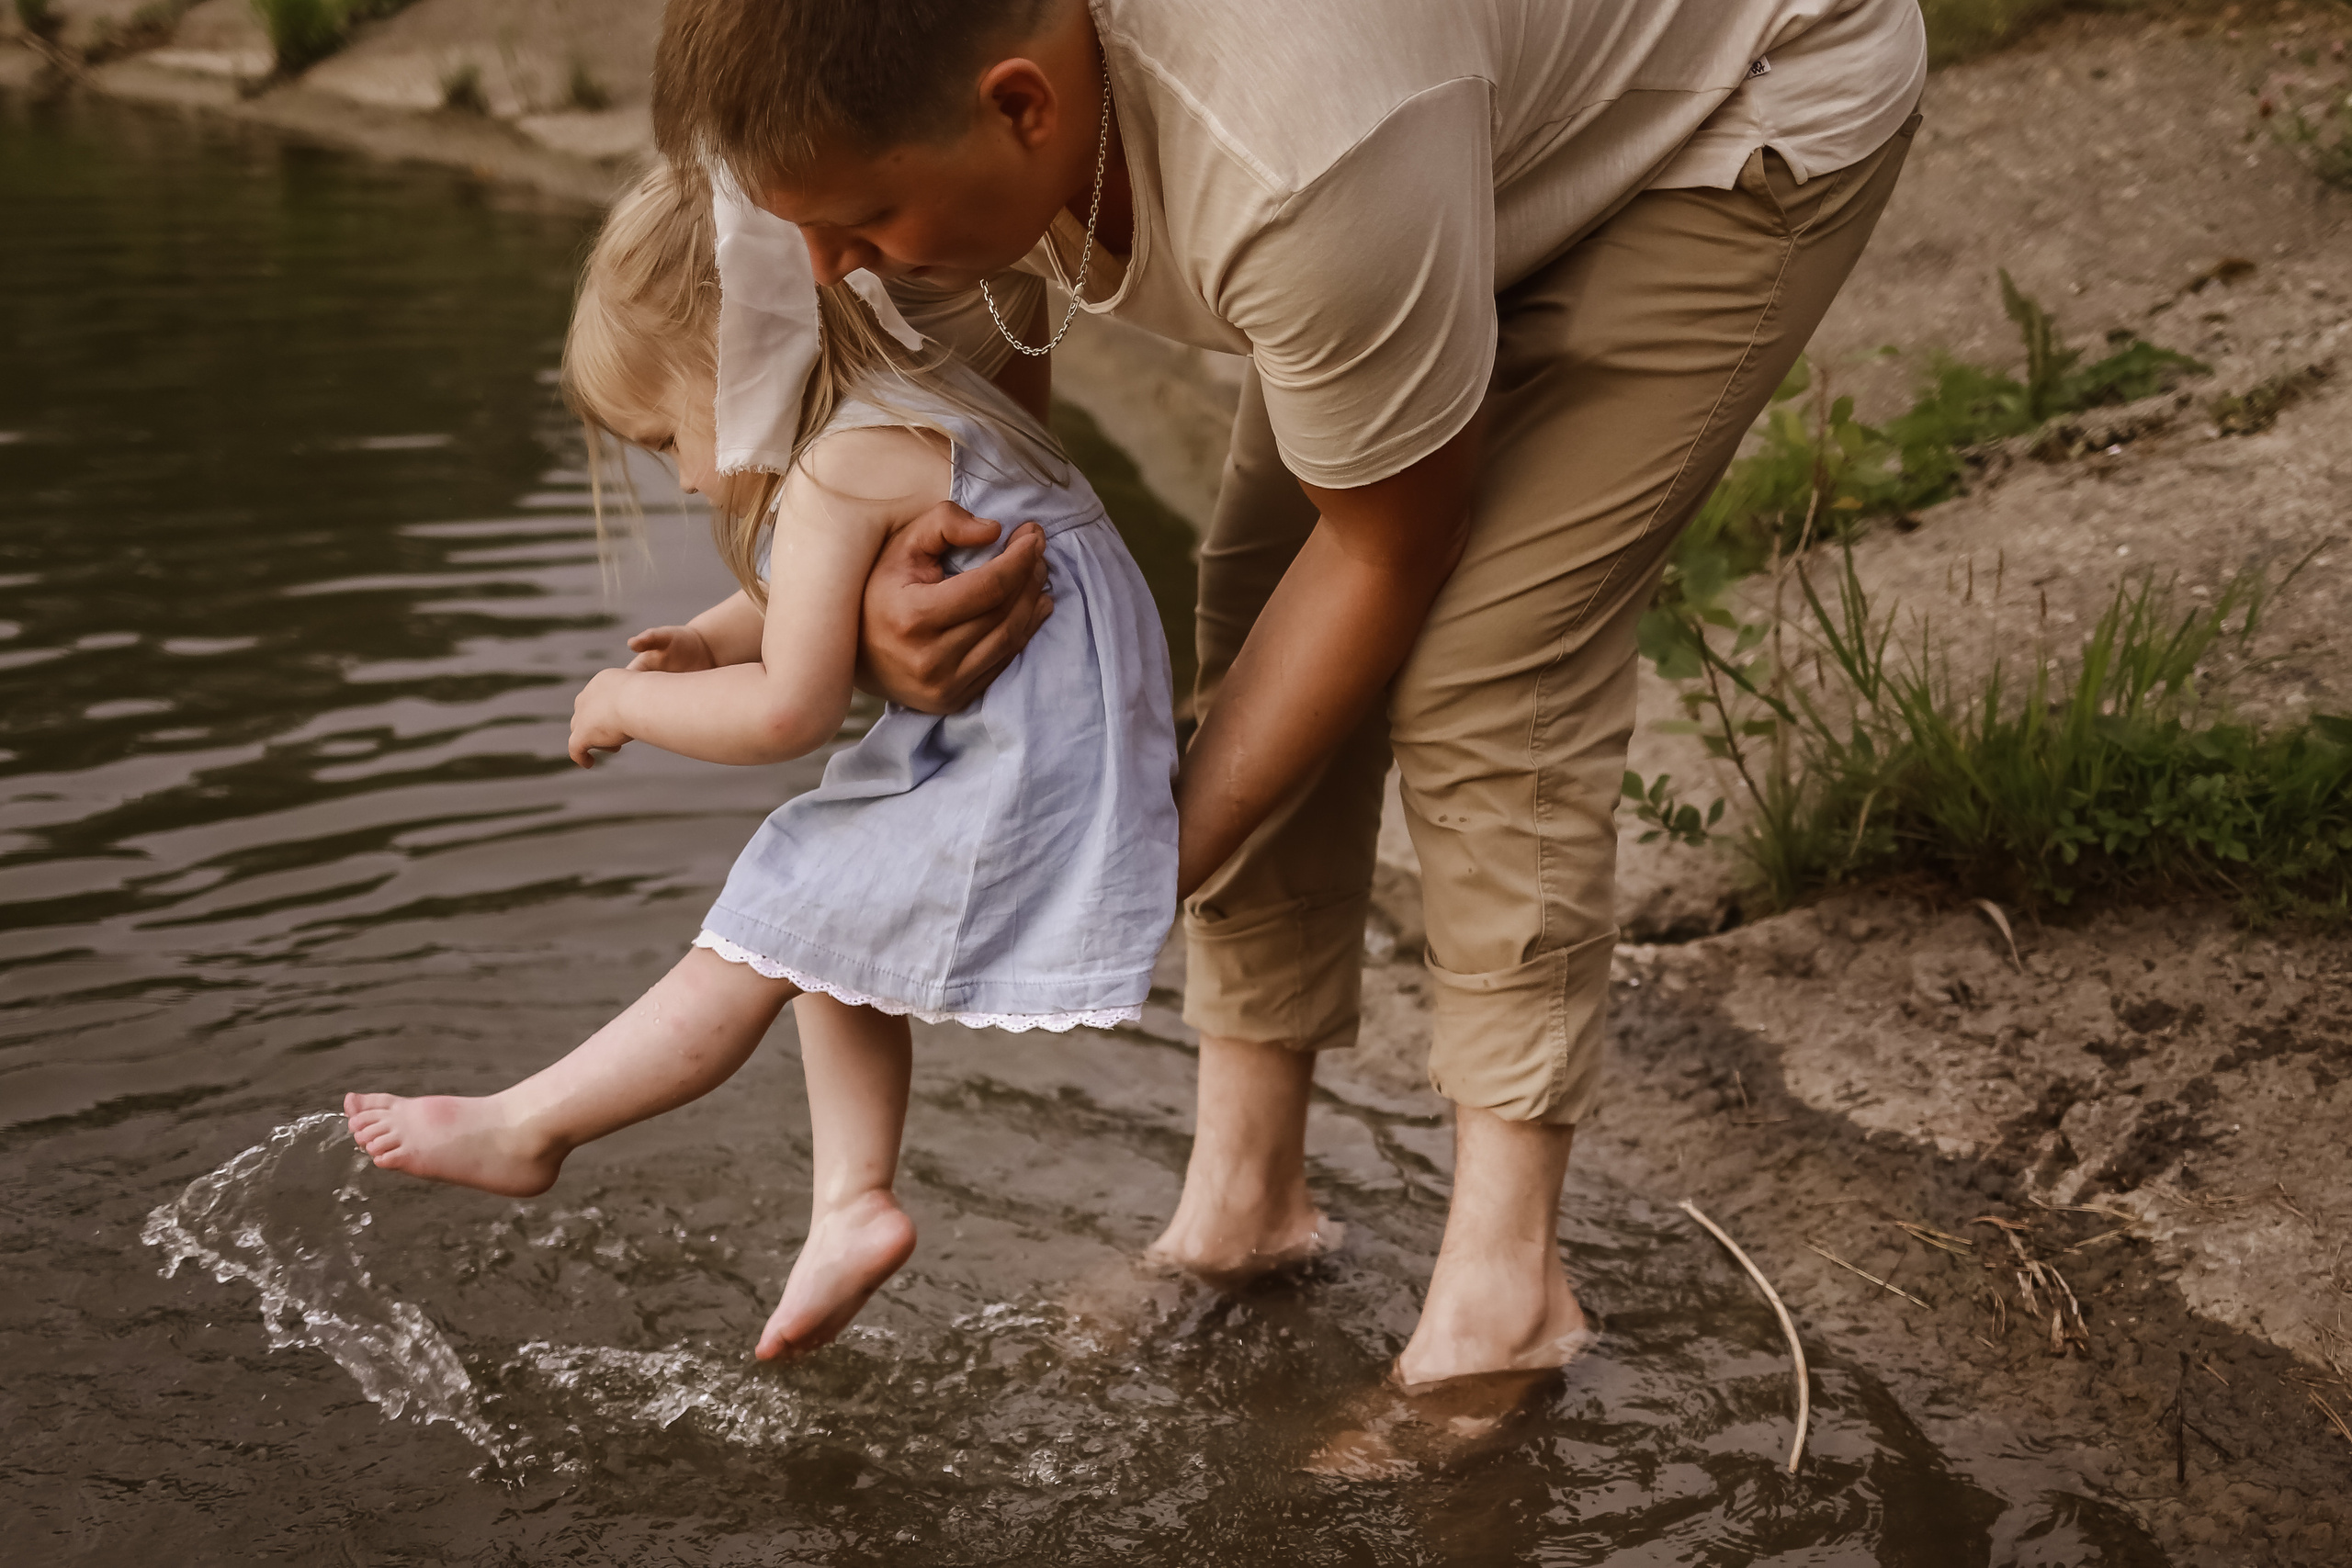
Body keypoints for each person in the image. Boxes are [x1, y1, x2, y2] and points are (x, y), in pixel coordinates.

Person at [649, 0, 1928, 1416]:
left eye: (868, 223)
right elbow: (992, 466)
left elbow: (1388, 552)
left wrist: (1104, 878)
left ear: (1022, 108)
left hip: (1722, 102)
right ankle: (1245, 1201)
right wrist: (905, 600)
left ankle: (1507, 1294)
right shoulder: (862, 138)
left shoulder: (1294, 153)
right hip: (1434, 132)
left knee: (1489, 664)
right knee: (1255, 605)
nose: (832, 274)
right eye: (803, 232)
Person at [342, 164, 1178, 1362]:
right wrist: (706, 638)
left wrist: (630, 697)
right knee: (824, 936)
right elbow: (805, 606)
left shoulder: (841, 467)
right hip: (1064, 722)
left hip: (1042, 751)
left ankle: (531, 1127)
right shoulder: (898, 407)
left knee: (766, 910)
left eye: (670, 435)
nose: (682, 476)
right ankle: (852, 1204)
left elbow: (791, 710)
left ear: (737, 365)